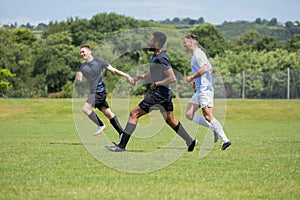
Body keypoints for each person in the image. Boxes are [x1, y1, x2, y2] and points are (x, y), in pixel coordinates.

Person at [105, 31, 197, 152]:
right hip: (165, 95)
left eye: (151, 40)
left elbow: (172, 78)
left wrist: (156, 84)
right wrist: (140, 77)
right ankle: (190, 141)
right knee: (170, 120)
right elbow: (153, 73)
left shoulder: (162, 57)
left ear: (157, 43)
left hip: (160, 94)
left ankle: (121, 146)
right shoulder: (156, 56)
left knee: (134, 114)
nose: (148, 42)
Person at [183, 34, 231, 150]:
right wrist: (197, 80)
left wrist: (192, 77)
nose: (184, 44)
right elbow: (209, 69)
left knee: (208, 116)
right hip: (201, 89)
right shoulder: (198, 54)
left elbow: (204, 69)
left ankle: (225, 140)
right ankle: (214, 128)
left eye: (185, 42)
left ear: (191, 43)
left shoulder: (198, 54)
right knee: (189, 114)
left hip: (204, 90)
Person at [76, 44, 135, 136]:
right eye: (80, 52)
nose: (81, 54)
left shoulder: (99, 62)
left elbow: (114, 71)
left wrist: (126, 75)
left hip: (99, 92)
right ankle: (122, 134)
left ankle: (101, 125)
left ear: (89, 51)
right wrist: (78, 78)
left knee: (85, 109)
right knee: (108, 113)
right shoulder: (82, 66)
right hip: (94, 93)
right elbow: (79, 79)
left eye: (83, 51)